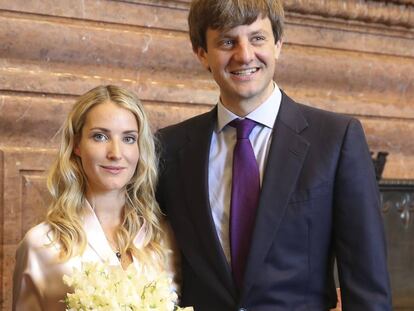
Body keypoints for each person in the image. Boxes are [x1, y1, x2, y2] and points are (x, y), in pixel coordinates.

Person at [156, 0, 392, 310]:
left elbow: (367, 284)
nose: (244, 55)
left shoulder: (336, 139)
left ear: (278, 44)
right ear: (202, 53)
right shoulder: (169, 147)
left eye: (257, 38)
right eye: (227, 41)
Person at [13, 85, 177, 310]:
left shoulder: (165, 239)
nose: (116, 153)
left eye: (129, 139)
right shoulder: (41, 244)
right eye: (100, 136)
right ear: (77, 145)